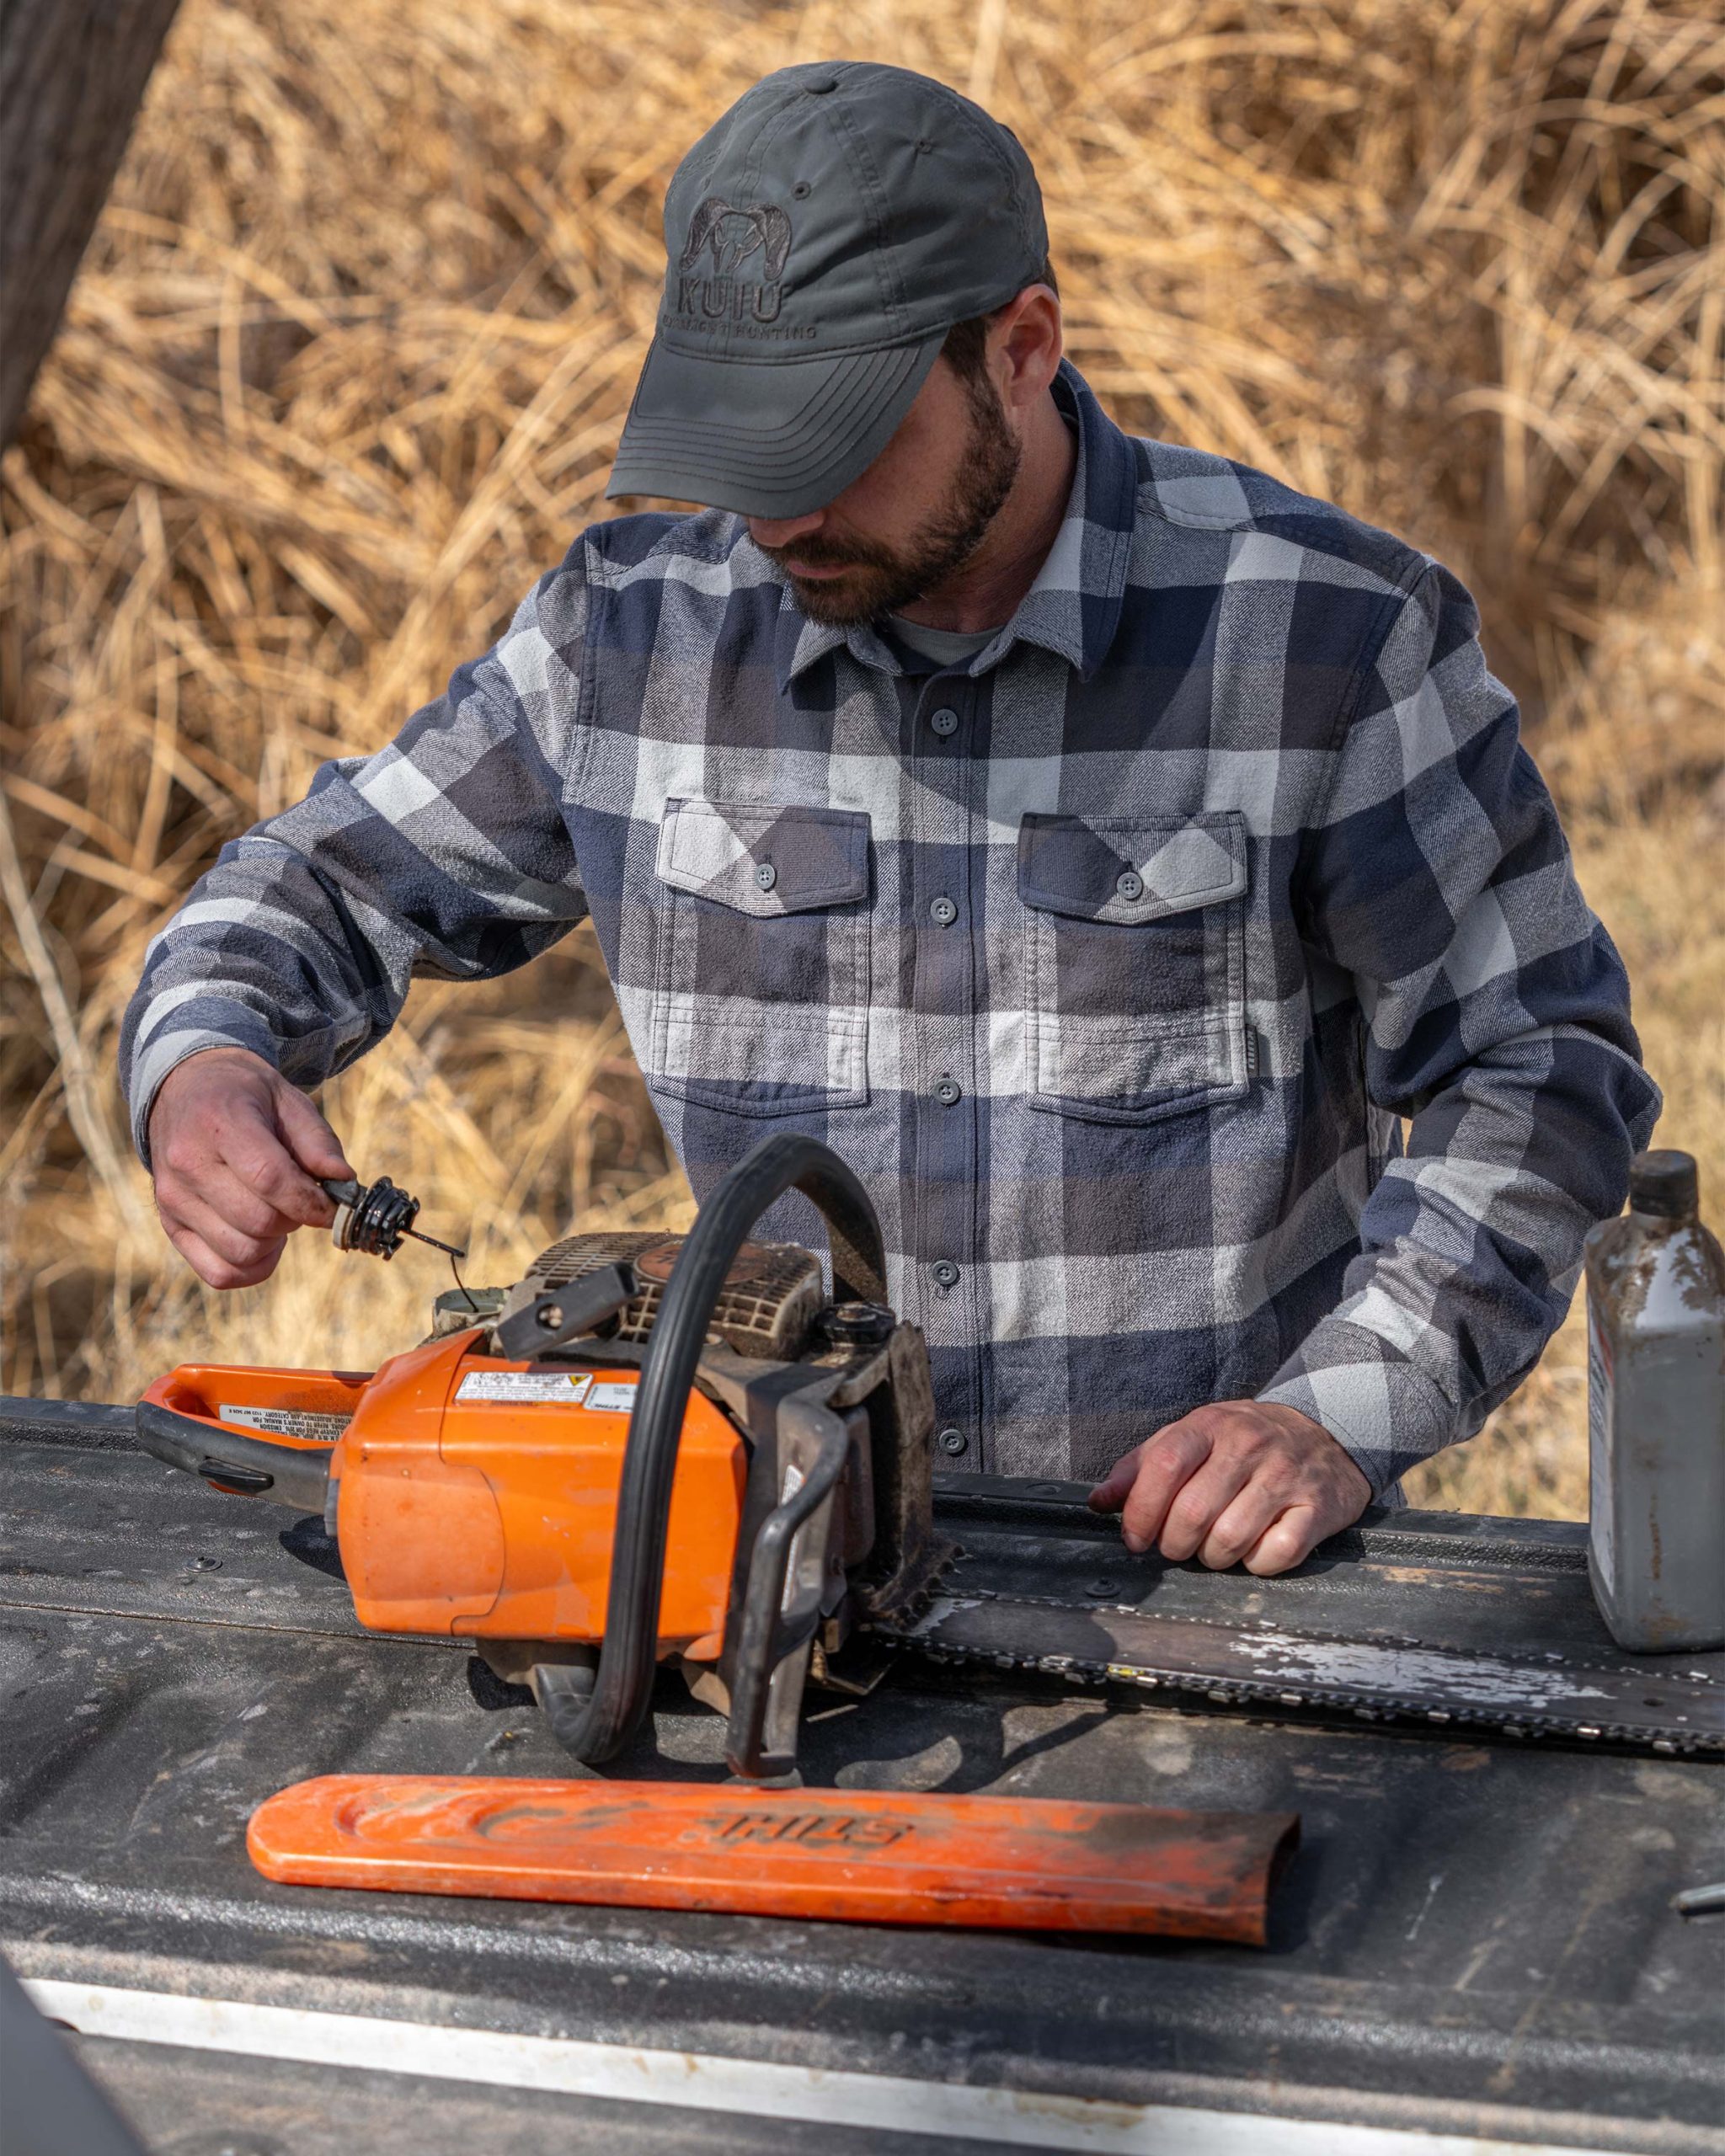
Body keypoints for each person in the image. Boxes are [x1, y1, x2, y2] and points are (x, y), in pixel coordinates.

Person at [122, 61, 1660, 1576]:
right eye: (737, 453)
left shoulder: (1324, 641)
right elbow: (314, 889)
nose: (777, 516)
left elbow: (1538, 1063)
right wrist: (205, 1064)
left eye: (829, 446)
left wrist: (1331, 1416)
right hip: (769, 1560)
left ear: (1020, 349)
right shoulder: (624, 644)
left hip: (1191, 1572)